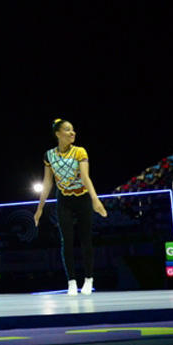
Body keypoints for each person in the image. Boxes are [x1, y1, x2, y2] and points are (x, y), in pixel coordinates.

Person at [33, 119, 108, 295]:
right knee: (66, 241)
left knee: (85, 239)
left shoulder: (79, 151)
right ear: (58, 134)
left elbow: (85, 177)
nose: (72, 133)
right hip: (64, 200)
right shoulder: (49, 155)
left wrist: (95, 200)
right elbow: (47, 182)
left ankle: (89, 279)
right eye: (67, 130)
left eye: (73, 130)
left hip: (82, 198)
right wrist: (40, 208)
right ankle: (72, 281)